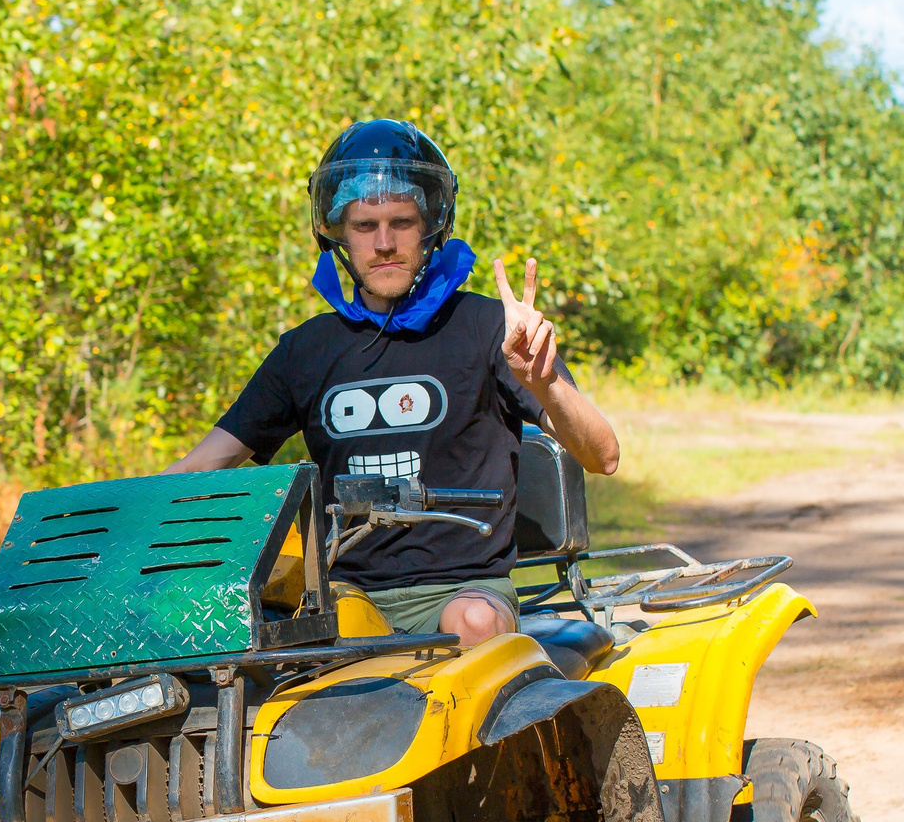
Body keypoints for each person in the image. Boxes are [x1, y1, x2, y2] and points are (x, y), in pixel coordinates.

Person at [165, 119, 620, 648]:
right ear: (336, 232)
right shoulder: (305, 351)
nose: (384, 243)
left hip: (463, 590)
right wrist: (118, 531)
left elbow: (603, 454)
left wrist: (545, 386)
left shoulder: (492, 331)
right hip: (345, 592)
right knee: (255, 643)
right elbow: (203, 465)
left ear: (431, 226)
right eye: (365, 225)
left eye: (401, 222)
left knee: (473, 624)